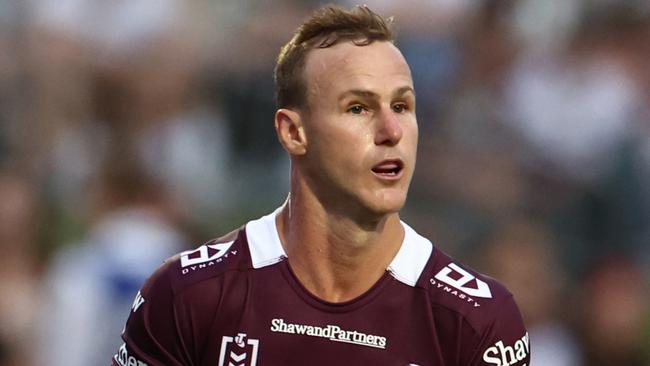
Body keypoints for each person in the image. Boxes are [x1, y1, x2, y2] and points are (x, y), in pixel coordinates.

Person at [112, 5, 530, 366]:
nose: (391, 130)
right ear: (294, 133)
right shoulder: (191, 294)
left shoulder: (475, 320)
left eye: (402, 106)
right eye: (358, 107)